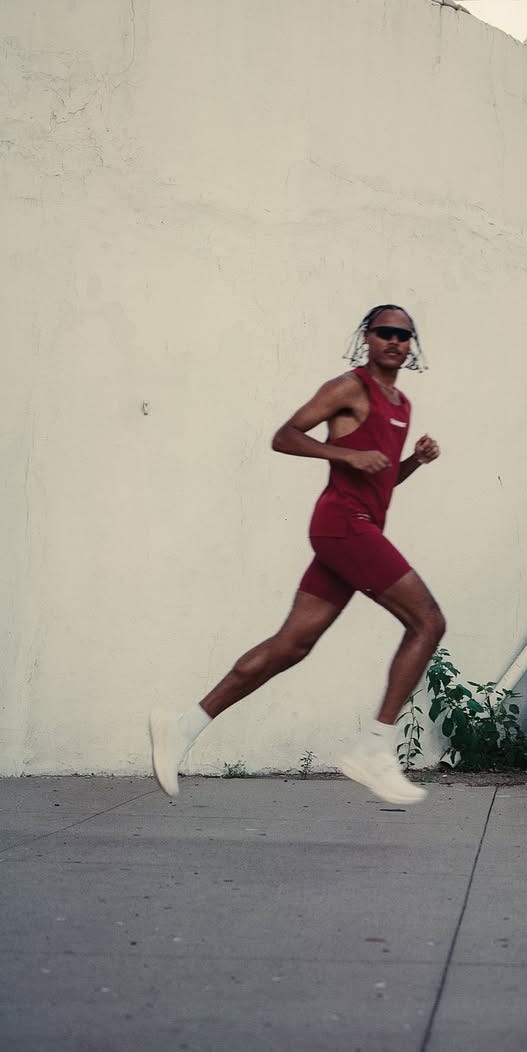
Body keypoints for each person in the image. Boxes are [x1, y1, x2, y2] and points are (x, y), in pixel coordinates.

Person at [148, 304, 444, 806]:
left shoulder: (402, 404)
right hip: (343, 525)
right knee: (428, 622)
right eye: (385, 332)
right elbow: (284, 436)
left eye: (404, 334)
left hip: (355, 529)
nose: (395, 341)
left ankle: (183, 726)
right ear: (367, 338)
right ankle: (375, 748)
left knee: (292, 645)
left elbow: (381, 479)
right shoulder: (349, 388)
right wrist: (344, 453)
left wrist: (413, 460)